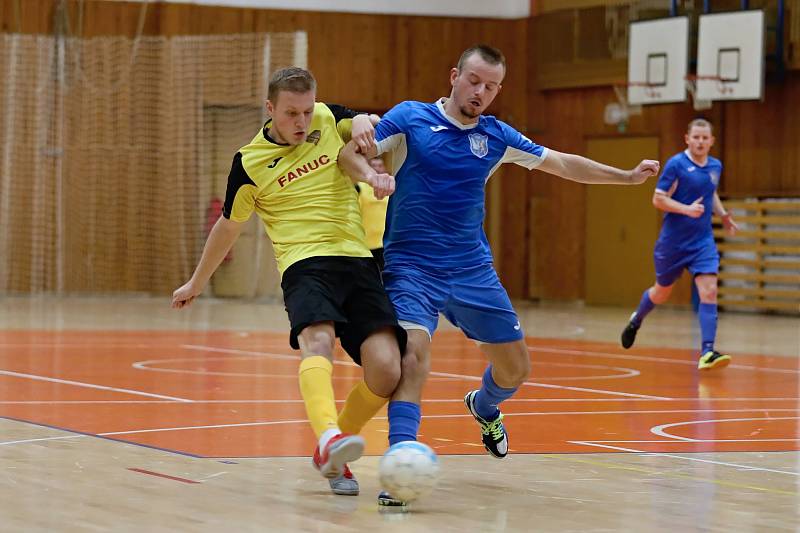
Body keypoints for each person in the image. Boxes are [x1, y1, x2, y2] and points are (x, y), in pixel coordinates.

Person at [338, 44, 659, 504]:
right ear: (454, 76)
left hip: (472, 268)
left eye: (490, 86)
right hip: (412, 268)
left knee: (516, 368)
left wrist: (625, 177)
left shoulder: (495, 136)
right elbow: (349, 152)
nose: (480, 92)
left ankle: (484, 406)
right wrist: (370, 177)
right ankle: (401, 462)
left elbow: (563, 162)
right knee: (412, 357)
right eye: (474, 81)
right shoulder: (409, 119)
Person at [172, 67, 406, 497]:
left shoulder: (324, 118)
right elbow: (227, 227)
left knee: (388, 369)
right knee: (316, 341)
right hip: (304, 264)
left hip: (357, 260)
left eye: (306, 110)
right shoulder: (248, 163)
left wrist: (366, 124)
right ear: (270, 109)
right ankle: (329, 437)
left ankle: (333, 453)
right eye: (290, 113)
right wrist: (196, 283)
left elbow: (357, 122)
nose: (301, 122)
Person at [620, 118, 738, 370]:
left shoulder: (715, 166)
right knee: (661, 293)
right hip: (673, 243)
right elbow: (658, 199)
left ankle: (707, 351)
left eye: (705, 138)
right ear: (687, 138)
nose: (700, 142)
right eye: (696, 137)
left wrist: (724, 215)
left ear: (711, 141)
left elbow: (710, 192)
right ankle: (636, 320)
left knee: (709, 290)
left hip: (702, 241)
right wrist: (686, 210)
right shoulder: (676, 164)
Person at [355, 156, 390, 270]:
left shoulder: (390, 188)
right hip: (366, 245)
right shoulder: (360, 188)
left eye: (380, 166)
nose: (377, 169)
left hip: (385, 243)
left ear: (384, 168)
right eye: (373, 166)